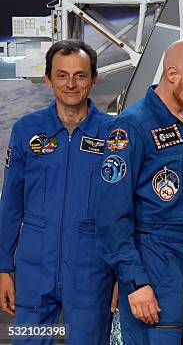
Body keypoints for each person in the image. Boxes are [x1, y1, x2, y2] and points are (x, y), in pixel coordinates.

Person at [94, 37, 183, 344]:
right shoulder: (131, 128)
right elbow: (112, 215)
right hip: (153, 265)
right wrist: (134, 282)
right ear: (173, 74)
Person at [0, 40, 117, 344]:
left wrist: (123, 275)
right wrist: (2, 267)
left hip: (92, 272)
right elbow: (11, 203)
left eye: (80, 75)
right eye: (62, 75)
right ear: (49, 78)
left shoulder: (114, 134)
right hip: (35, 271)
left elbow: (124, 208)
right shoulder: (27, 130)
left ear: (94, 79)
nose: (71, 84)